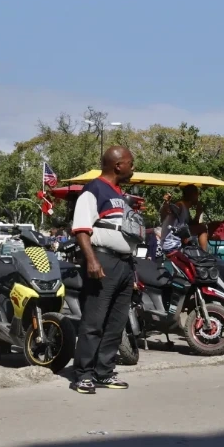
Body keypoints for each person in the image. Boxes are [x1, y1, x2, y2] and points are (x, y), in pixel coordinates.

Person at [69, 146, 141, 394]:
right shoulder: (94, 189)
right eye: (130, 163)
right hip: (103, 261)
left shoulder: (119, 193)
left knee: (116, 323)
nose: (133, 167)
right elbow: (81, 229)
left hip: (124, 264)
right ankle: (83, 375)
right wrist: (92, 260)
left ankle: (104, 372)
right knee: (94, 322)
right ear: (118, 165)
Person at [158, 185, 209, 253]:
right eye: (197, 195)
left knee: (202, 227)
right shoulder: (180, 206)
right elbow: (168, 213)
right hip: (171, 242)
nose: (198, 197)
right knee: (202, 228)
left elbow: (193, 225)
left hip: (177, 238)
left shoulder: (186, 208)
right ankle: (204, 253)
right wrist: (166, 204)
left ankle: (203, 253)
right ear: (193, 195)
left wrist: (198, 214)